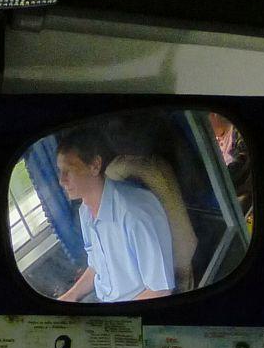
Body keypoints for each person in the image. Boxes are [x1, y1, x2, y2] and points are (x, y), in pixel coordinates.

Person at [54, 127, 175, 304]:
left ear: (95, 165)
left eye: (69, 170)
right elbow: (96, 266)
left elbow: (161, 291)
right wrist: (69, 297)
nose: (61, 180)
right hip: (101, 298)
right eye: (60, 171)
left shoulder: (134, 214)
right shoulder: (85, 211)